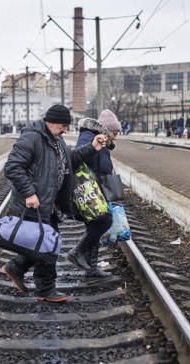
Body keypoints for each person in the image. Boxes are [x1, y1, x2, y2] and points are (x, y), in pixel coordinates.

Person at [1, 104, 109, 302]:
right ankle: (44, 288)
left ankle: (19, 270)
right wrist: (29, 193)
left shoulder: (56, 141)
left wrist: (93, 147)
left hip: (49, 204)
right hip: (34, 204)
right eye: (62, 126)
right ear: (50, 123)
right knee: (48, 245)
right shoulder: (31, 138)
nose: (65, 130)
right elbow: (12, 167)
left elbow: (71, 159)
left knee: (46, 244)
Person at [68, 108, 122, 282]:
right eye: (115, 132)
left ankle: (91, 268)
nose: (116, 136)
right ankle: (77, 252)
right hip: (89, 190)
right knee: (103, 221)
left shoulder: (103, 140)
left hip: (97, 189)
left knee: (97, 226)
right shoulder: (88, 137)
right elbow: (77, 158)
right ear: (106, 129)